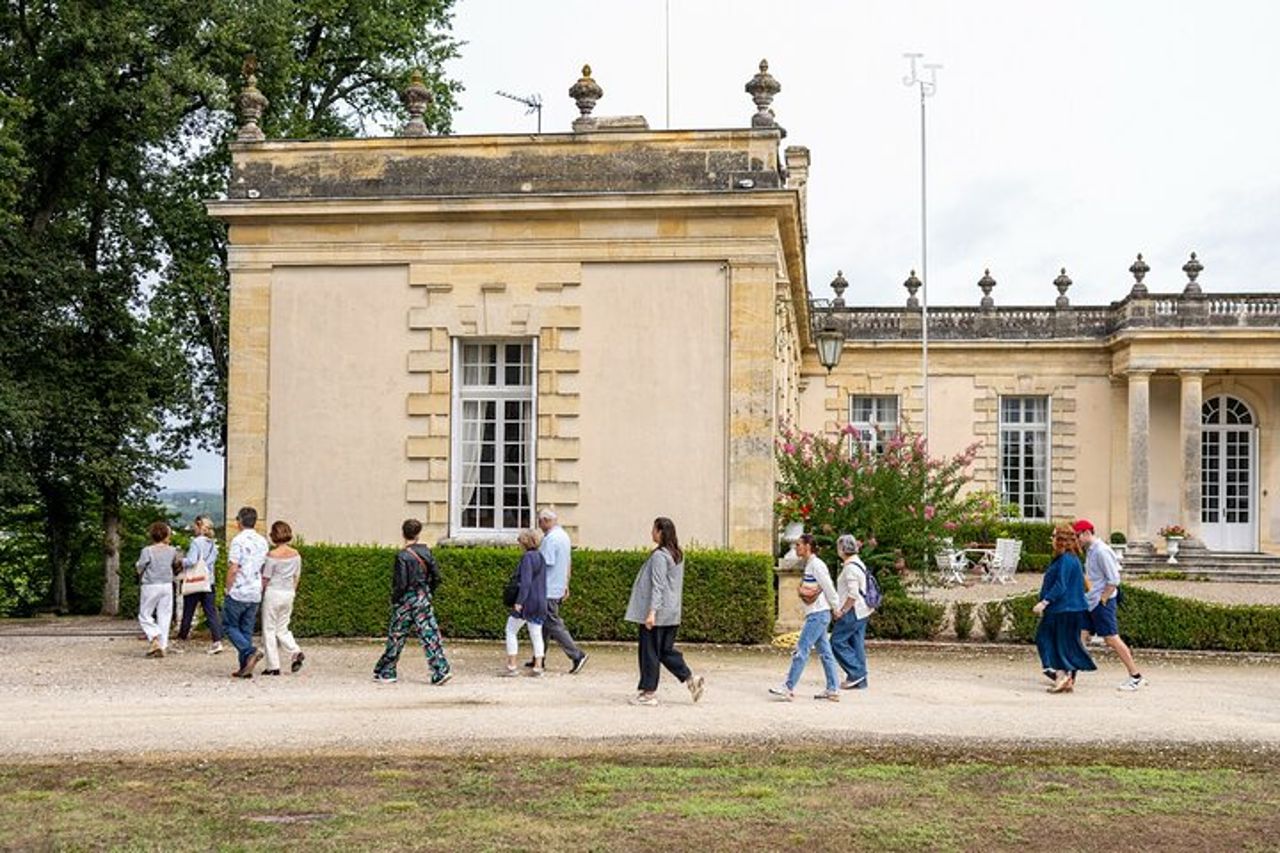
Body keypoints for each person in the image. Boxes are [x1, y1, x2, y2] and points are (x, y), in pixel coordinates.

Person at [624, 517, 704, 706]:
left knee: (649, 651)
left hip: (657, 613)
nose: (651, 533)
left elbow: (657, 585)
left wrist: (652, 612)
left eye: (653, 529)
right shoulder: (677, 554)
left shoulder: (660, 556)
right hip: (671, 612)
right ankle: (690, 679)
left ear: (660, 532)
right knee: (665, 651)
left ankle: (648, 693)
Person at [373, 519, 452, 685]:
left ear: (403, 533)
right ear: (418, 533)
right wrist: (427, 591)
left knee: (397, 635)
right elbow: (437, 577)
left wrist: (395, 600)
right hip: (422, 597)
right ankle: (440, 670)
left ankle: (387, 671)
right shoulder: (426, 552)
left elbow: (401, 583)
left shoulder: (402, 556)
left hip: (406, 600)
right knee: (429, 634)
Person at [1074, 519, 1146, 690]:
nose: (1076, 541)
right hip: (1092, 600)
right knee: (1081, 635)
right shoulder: (1091, 550)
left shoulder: (1101, 551)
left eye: (1077, 537)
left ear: (1086, 533)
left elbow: (1114, 579)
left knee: (1111, 639)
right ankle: (1069, 673)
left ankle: (1136, 676)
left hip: (1100, 601)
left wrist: (1103, 599)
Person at [771, 533, 842, 701]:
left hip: (818, 615)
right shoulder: (811, 564)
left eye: (799, 545)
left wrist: (836, 607)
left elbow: (828, 586)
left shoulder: (816, 565)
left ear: (808, 547)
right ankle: (833, 688)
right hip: (818, 614)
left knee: (801, 650)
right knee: (825, 653)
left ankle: (788, 687)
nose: (796, 548)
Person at [1033, 524, 1097, 693]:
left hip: (1062, 609)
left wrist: (1045, 602)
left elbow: (1060, 585)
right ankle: (1065, 677)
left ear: (1060, 540)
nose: (1051, 539)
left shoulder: (1066, 559)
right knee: (1063, 642)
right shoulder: (1071, 558)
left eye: (1054, 536)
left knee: (1049, 640)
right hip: (1071, 608)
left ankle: (1061, 676)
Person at [532, 509, 588, 674]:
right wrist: (566, 584)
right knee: (544, 625)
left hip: (548, 588)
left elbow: (545, 564)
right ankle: (538, 658)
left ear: (546, 521)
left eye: (540, 522)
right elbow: (567, 562)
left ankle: (577, 655)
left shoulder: (550, 539)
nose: (539, 525)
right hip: (557, 586)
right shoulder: (563, 536)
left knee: (552, 623)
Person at [223, 506, 269, 678]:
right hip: (255, 590)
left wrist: (228, 588)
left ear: (239, 521)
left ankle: (249, 652)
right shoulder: (262, 541)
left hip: (239, 590)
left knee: (229, 626)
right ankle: (245, 667)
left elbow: (234, 568)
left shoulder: (238, 541)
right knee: (246, 630)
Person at [260, 520, 305, 676]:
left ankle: (273, 666)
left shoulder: (272, 555)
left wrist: (260, 592)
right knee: (283, 628)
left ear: (273, 535)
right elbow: (296, 576)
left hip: (273, 593)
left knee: (269, 629)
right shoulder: (296, 555)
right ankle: (295, 650)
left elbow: (266, 577)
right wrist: (292, 591)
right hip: (288, 593)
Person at [829, 534, 872, 690]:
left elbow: (852, 594)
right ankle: (860, 680)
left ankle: (857, 673)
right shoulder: (858, 563)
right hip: (863, 610)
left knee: (836, 641)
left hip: (853, 611)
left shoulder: (849, 568)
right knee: (856, 644)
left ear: (841, 549)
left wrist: (842, 611)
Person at [503, 528, 547, 677]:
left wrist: (519, 602)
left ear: (525, 542)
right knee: (536, 633)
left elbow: (526, 582)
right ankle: (538, 666)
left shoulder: (527, 557)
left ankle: (512, 665)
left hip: (527, 601)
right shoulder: (541, 557)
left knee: (510, 629)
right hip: (540, 600)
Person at [177, 515, 224, 655]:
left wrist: (181, 561)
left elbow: (192, 561)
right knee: (211, 613)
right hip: (209, 581)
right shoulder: (213, 544)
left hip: (195, 581)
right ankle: (217, 641)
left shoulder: (196, 542)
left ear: (198, 526)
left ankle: (182, 639)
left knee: (188, 611)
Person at [136, 522, 180, 658]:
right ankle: (163, 645)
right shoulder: (173, 550)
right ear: (166, 535)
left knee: (145, 614)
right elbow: (177, 565)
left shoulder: (147, 551)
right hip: (167, 585)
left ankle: (154, 636)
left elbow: (140, 566)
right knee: (165, 615)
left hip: (150, 585)